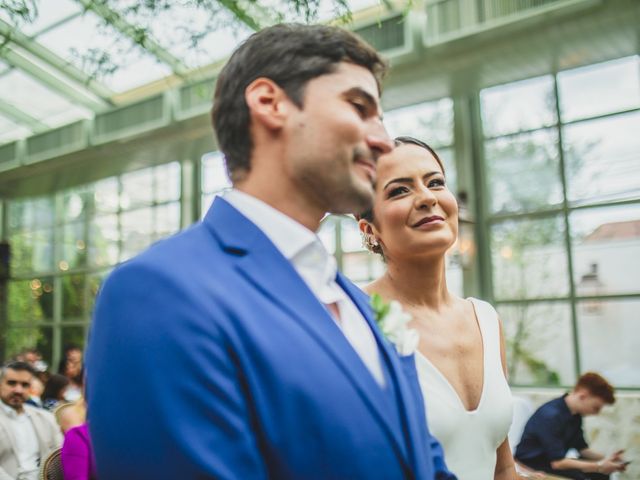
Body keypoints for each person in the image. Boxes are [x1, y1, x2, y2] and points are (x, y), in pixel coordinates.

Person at [86, 23, 455, 480]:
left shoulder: (363, 305)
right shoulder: (157, 292)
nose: (382, 140)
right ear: (269, 102)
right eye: (360, 107)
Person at [358, 137, 517, 479]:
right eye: (399, 190)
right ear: (370, 229)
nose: (428, 197)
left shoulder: (486, 320)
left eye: (435, 183)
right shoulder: (354, 319)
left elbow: (502, 466)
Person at [515, 372, 627, 479]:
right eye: (595, 408)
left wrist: (607, 459)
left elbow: (583, 449)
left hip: (551, 463)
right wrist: (599, 466)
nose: (596, 413)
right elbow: (558, 463)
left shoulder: (575, 416)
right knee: (583, 475)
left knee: (600, 475)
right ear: (583, 396)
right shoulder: (550, 415)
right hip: (531, 467)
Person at [0, 361, 62, 480]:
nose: (18, 390)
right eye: (12, 383)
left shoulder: (46, 418)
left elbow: (59, 456)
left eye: (25, 385)